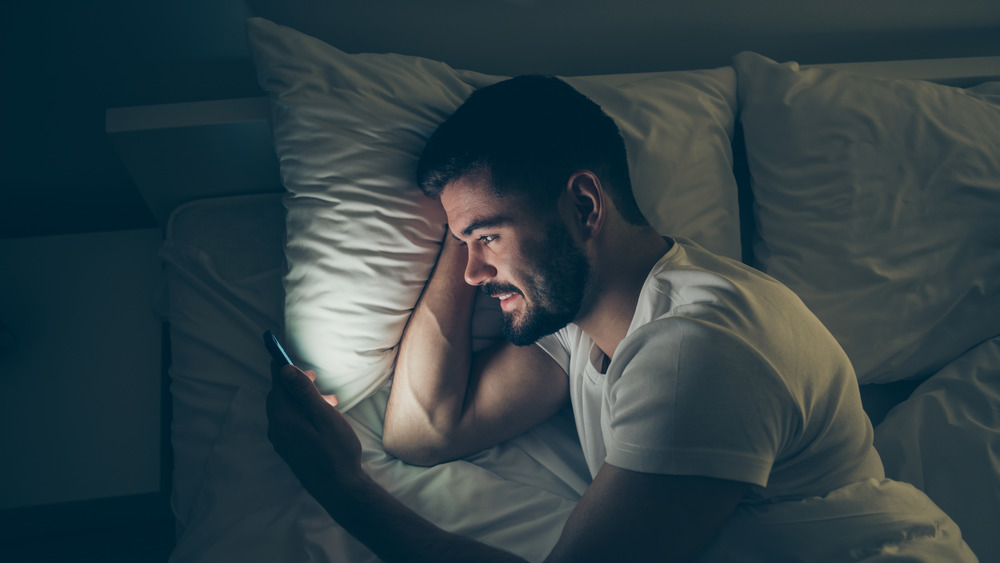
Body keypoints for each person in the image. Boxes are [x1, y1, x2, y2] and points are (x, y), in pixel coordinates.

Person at [266, 76, 977, 562]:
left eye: (486, 238)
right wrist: (465, 231)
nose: (475, 275)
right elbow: (424, 430)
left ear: (584, 206)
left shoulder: (698, 348)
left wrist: (342, 486)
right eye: (464, 246)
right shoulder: (586, 318)